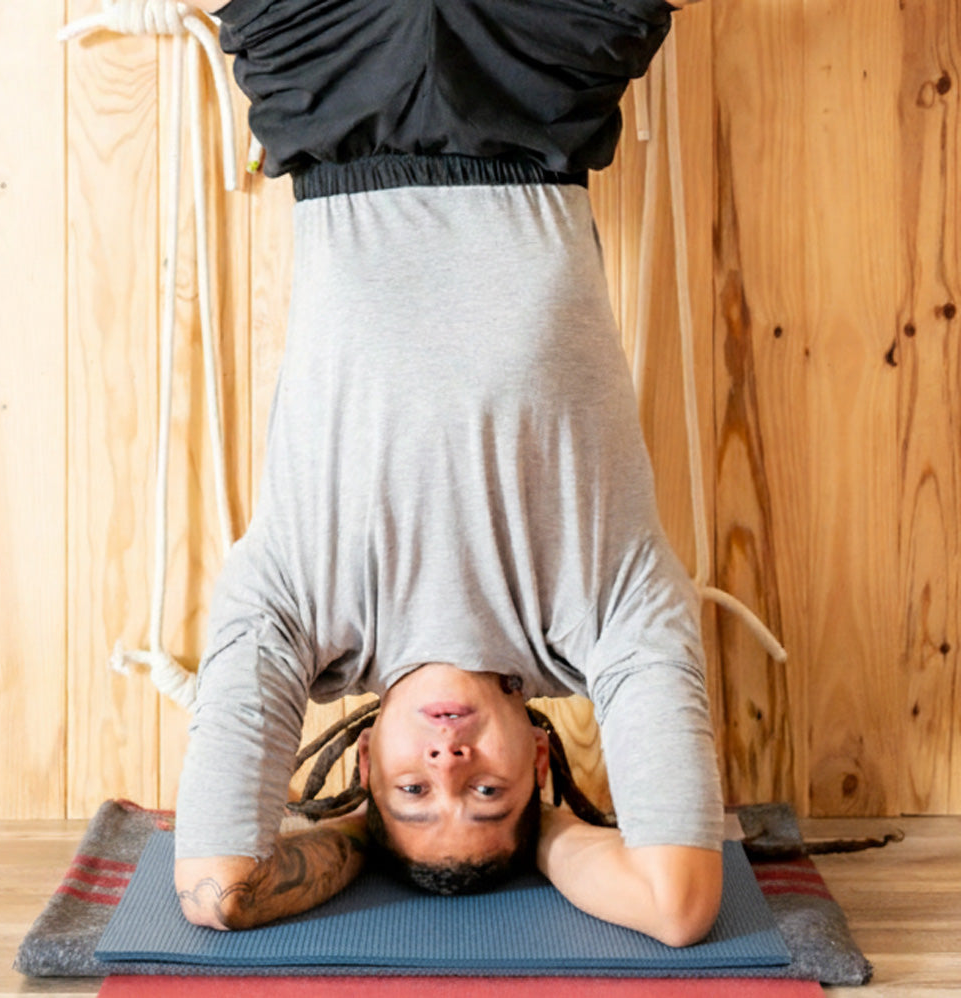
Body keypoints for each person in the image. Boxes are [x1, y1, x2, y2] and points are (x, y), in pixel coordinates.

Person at [173, 0, 724, 947]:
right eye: (488, 791)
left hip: (335, 90)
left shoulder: (298, 620)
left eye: (415, 790)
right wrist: (548, 836)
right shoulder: (606, 619)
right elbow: (677, 907)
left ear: (364, 760)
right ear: (540, 755)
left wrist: (363, 841)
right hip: (535, 85)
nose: (449, 756)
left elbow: (219, 891)